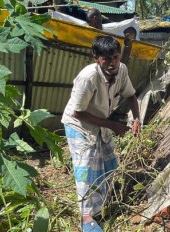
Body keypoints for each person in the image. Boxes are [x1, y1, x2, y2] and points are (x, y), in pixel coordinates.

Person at [62, 36, 140, 232]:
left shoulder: (121, 69)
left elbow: (130, 95)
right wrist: (113, 125)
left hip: (100, 122)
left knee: (108, 162)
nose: (112, 62)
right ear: (96, 58)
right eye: (106, 58)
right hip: (79, 125)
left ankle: (102, 204)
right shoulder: (88, 77)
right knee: (86, 170)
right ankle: (86, 218)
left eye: (115, 57)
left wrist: (137, 119)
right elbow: (78, 112)